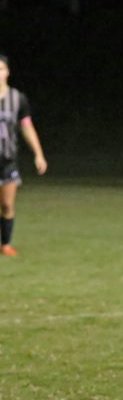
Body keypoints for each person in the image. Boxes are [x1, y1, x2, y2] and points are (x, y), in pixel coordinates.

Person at [0, 54, 47, 256]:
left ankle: (5, 244)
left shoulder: (17, 98)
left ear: (7, 72)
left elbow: (26, 127)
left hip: (7, 160)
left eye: (0, 68)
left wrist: (38, 154)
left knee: (7, 204)